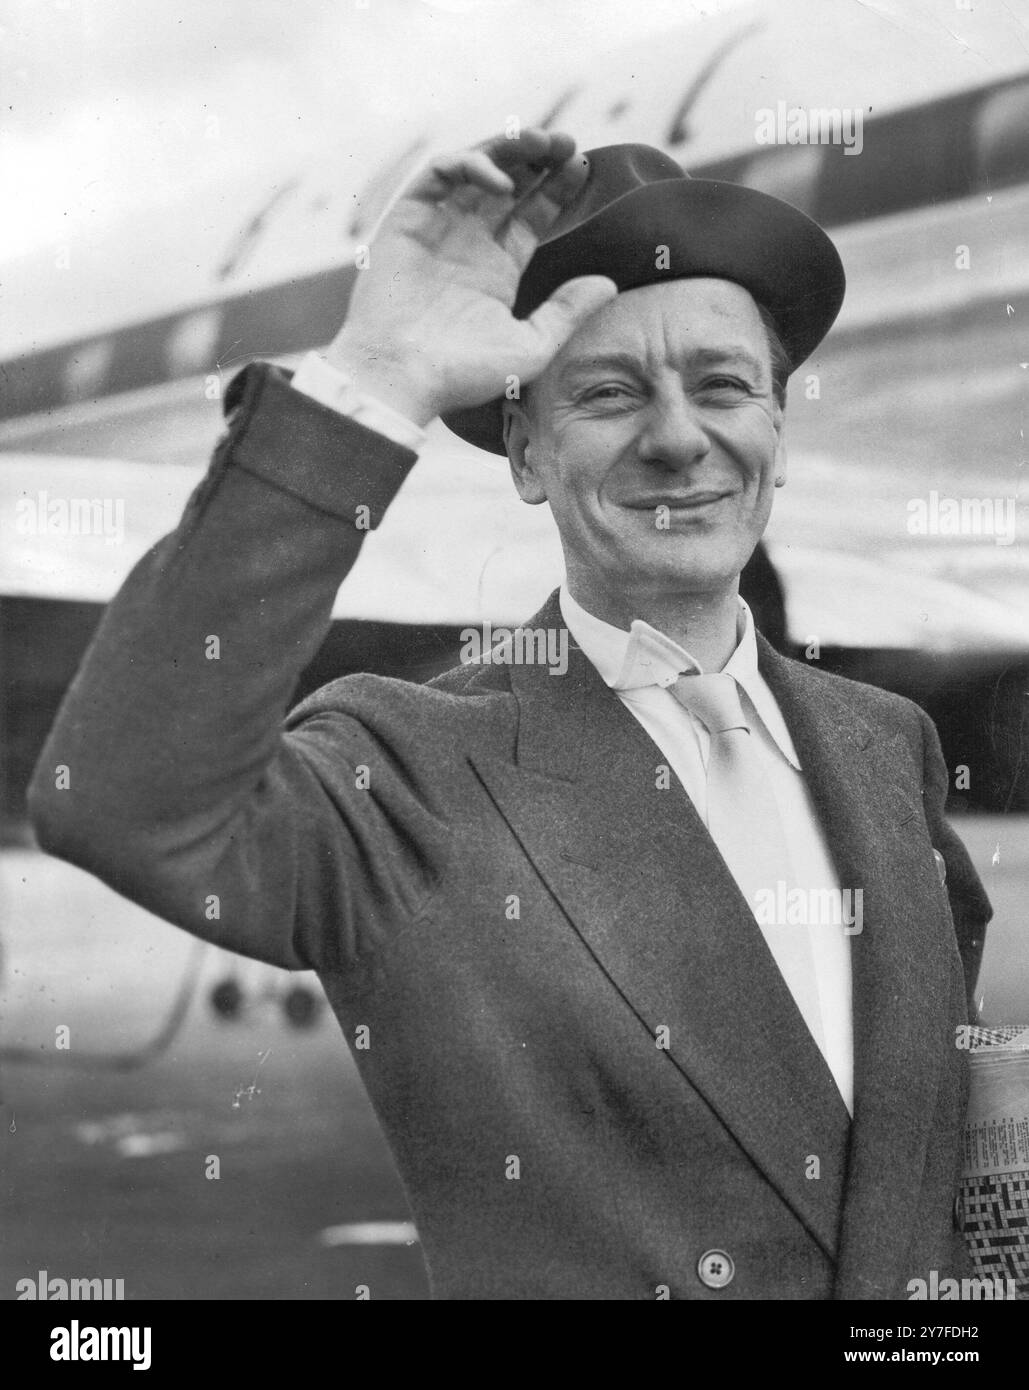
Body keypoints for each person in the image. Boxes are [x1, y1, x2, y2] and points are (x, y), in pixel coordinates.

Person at [29, 130, 991, 1300]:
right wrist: (375, 375)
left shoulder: (886, 746)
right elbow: (125, 798)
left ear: (777, 436)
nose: (680, 436)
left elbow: (926, 1139)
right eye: (609, 392)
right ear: (527, 455)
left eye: (726, 384)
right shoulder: (413, 773)